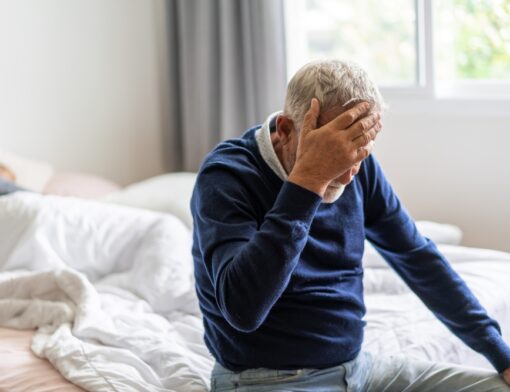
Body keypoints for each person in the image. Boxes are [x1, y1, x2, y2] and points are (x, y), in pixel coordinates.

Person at [190, 59, 510, 391]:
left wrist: (500, 353)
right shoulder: (227, 176)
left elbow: (416, 255)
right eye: (330, 153)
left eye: (357, 153)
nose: (345, 174)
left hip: (357, 370)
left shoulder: (356, 165)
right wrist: (308, 181)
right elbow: (242, 310)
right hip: (267, 379)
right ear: (285, 130)